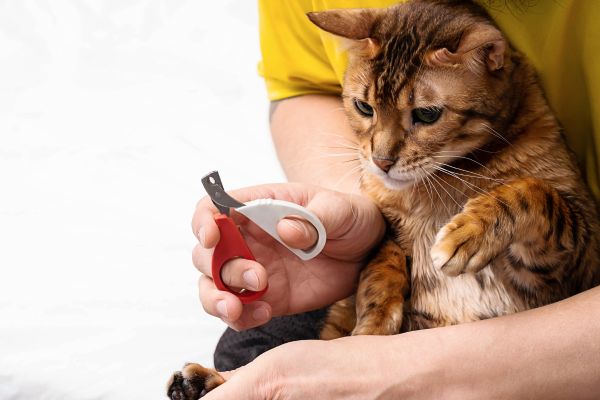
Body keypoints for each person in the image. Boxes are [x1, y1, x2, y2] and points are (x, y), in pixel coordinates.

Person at [192, 1, 600, 398]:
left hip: (575, 324)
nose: (382, 155)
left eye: (424, 115)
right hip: (407, 314)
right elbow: (304, 87)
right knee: (248, 357)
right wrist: (356, 212)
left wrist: (403, 371)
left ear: (492, 60)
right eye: (365, 108)